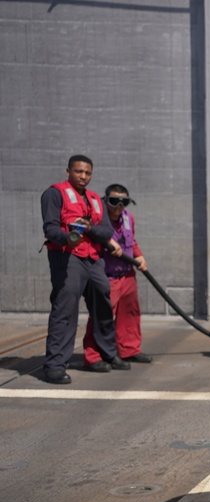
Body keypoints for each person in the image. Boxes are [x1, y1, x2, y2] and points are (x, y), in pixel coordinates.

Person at [39, 155, 130, 384]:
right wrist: (68, 238)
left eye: (87, 173)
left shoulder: (96, 199)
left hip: (94, 260)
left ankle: (107, 354)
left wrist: (89, 228)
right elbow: (50, 228)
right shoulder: (54, 194)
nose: (83, 176)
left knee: (103, 307)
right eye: (79, 171)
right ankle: (55, 366)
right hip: (67, 258)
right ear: (68, 171)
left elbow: (106, 232)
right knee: (65, 310)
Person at [82, 185, 152, 366]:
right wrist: (106, 240)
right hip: (108, 276)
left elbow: (131, 241)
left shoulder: (128, 218)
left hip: (127, 275)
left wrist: (139, 256)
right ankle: (93, 357)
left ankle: (129, 350)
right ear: (106, 201)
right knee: (101, 317)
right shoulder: (97, 219)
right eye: (114, 201)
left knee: (129, 314)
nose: (119, 207)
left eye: (124, 202)